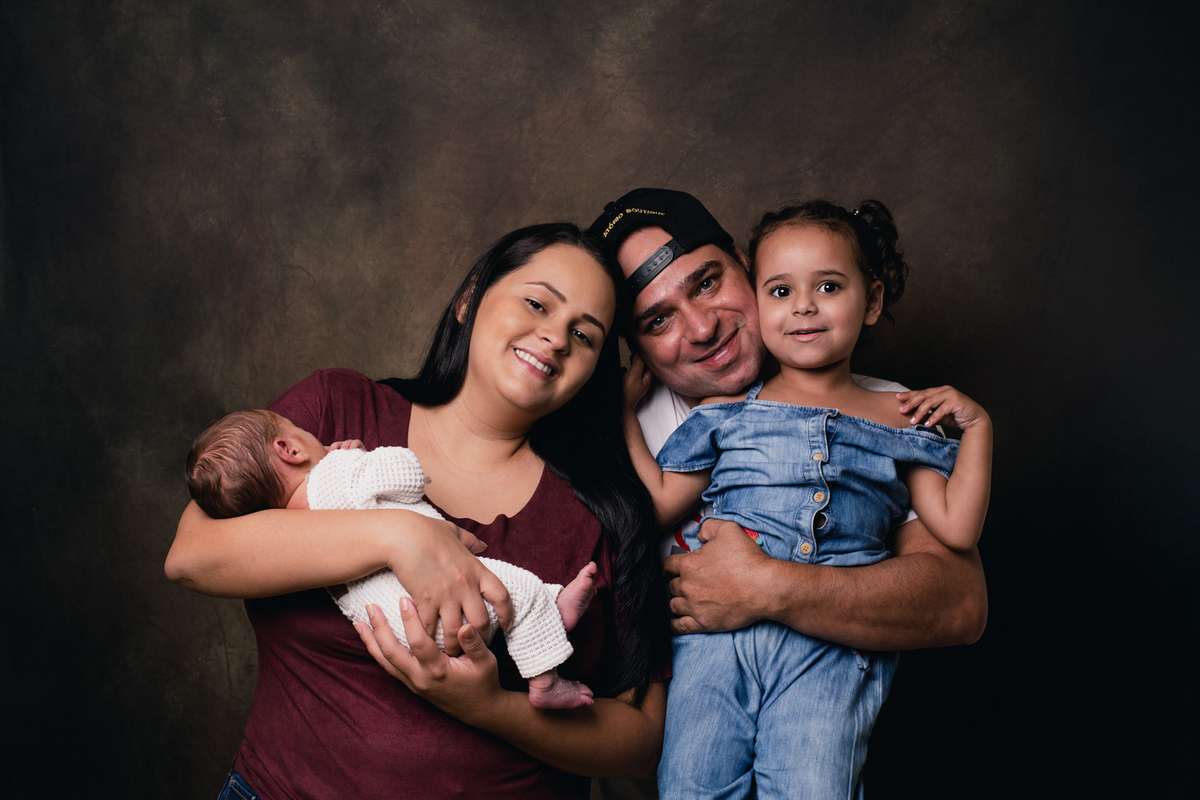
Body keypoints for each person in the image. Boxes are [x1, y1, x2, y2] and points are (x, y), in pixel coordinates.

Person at [166, 223, 670, 800]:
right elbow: (192, 556)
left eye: (584, 335)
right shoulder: (335, 414)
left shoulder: (606, 511)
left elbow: (642, 742)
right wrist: (398, 536)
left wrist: (491, 709)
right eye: (537, 303)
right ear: (470, 298)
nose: (556, 338)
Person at [586, 188, 988, 797]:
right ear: (633, 347)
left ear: (747, 268)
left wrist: (767, 587)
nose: (702, 328)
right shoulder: (612, 446)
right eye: (657, 320)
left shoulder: (887, 411)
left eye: (707, 283)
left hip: (818, 698)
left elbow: (959, 604)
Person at [185, 408, 602, 709]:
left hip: (401, 633)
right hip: (438, 603)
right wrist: (364, 458)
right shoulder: (333, 472)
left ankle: (549, 606)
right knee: (515, 591)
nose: (316, 437)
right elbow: (405, 475)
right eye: (300, 430)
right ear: (288, 449)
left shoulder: (288, 534)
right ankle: (545, 679)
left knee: (505, 588)